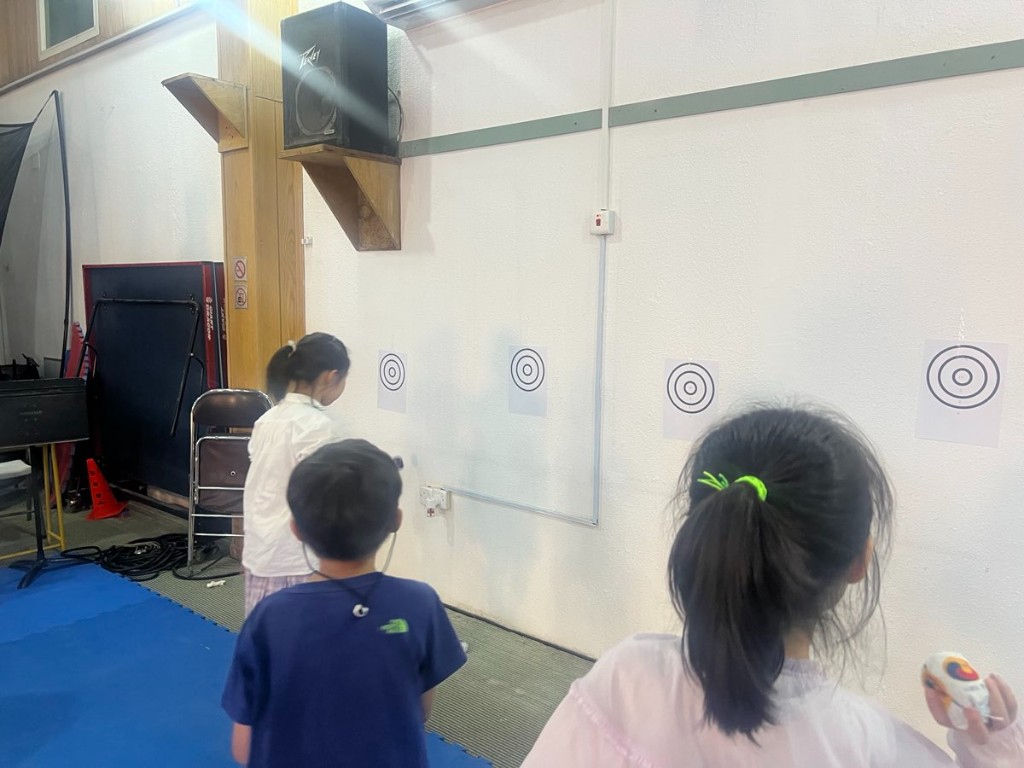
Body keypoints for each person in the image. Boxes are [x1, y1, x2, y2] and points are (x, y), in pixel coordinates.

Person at [524, 406, 1022, 767]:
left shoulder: (627, 676)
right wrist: (993, 751)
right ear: (860, 560)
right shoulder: (867, 746)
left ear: (704, 532)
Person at [224, 439, 467, 767]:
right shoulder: (420, 604)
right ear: (396, 520)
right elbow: (420, 711)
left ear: (296, 530)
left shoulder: (269, 616)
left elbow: (244, 748)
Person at [241, 332, 350, 615]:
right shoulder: (319, 426)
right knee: (306, 635)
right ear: (331, 377)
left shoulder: (267, 419)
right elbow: (325, 496)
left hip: (260, 548)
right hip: (298, 558)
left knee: (266, 632)